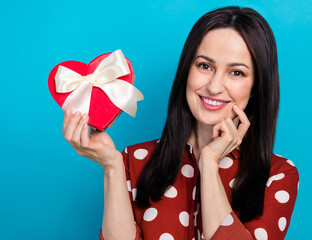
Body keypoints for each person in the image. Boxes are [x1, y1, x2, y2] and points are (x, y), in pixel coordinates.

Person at [62, 6, 299, 240]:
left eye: (236, 72)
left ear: (256, 87)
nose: (214, 87)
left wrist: (209, 163)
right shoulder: (132, 161)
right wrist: (111, 166)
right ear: (187, 70)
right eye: (205, 66)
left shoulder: (277, 175)